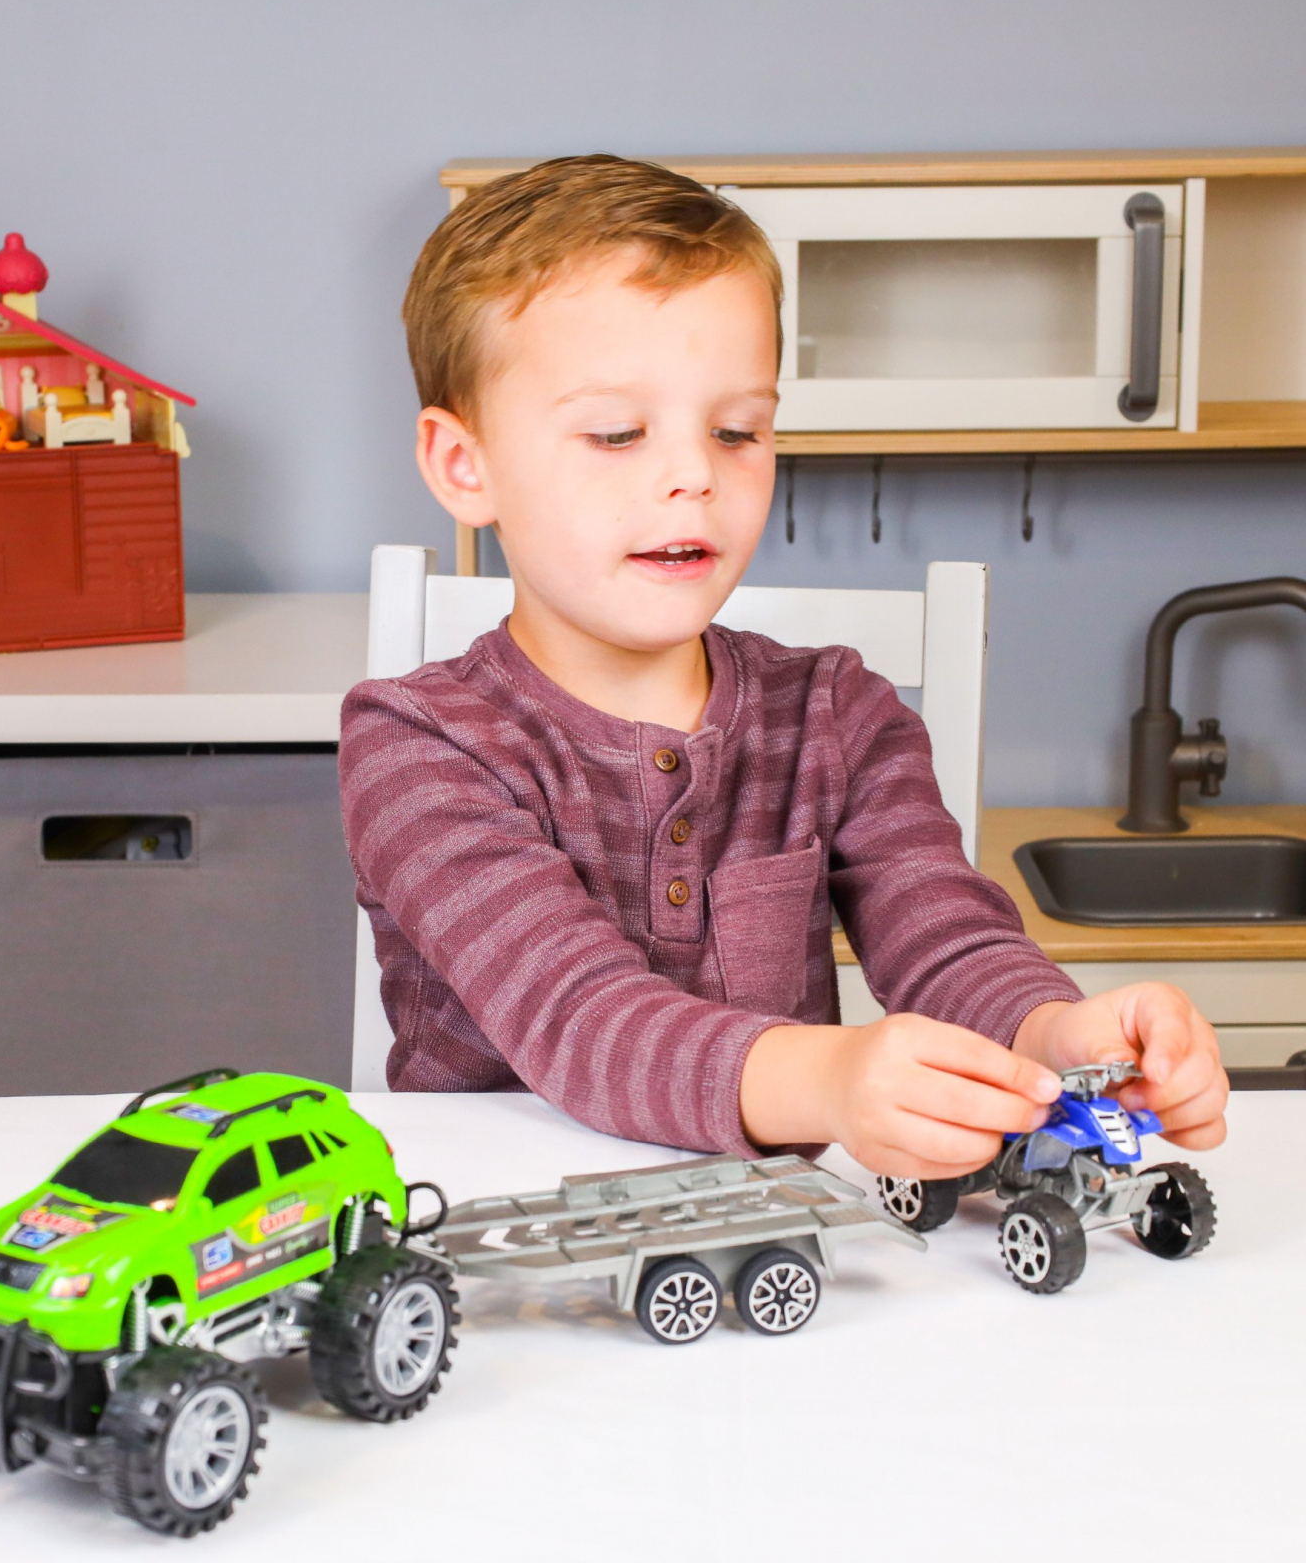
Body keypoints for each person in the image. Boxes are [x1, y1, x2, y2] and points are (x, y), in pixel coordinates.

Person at [339, 154, 1228, 1176]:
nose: (694, 474)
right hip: (496, 1225)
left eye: (738, 430)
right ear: (465, 466)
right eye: (618, 433)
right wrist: (831, 1077)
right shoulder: (417, 743)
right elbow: (582, 1020)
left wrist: (1058, 1037)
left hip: (781, 1224)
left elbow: (945, 941)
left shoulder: (837, 711)